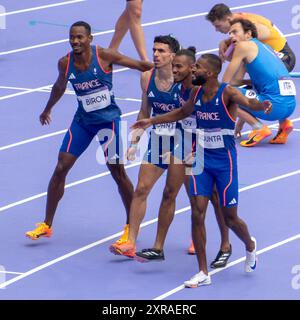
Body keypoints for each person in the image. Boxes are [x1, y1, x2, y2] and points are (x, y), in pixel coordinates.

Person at [132, 53, 272, 287]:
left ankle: (249, 244)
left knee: (230, 217)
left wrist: (263, 105)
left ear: (210, 73)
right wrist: (150, 121)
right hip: (200, 160)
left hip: (224, 161)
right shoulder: (195, 93)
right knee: (197, 212)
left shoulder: (227, 93)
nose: (193, 70)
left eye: (197, 67)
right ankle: (203, 271)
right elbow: (182, 113)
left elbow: (250, 103)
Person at [26, 21, 153, 240]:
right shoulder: (65, 63)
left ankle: (130, 226)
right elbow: (59, 86)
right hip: (83, 121)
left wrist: (166, 66)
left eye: (80, 37)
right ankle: (46, 224)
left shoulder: (104, 55)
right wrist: (47, 109)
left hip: (108, 121)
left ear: (89, 39)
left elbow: (141, 65)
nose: (75, 41)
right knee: (60, 167)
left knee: (117, 172)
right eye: (72, 37)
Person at [134, 47, 232, 268]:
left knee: (214, 199)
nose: (173, 69)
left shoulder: (200, 90)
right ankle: (158, 247)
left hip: (205, 147)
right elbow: (179, 115)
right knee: (169, 192)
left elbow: (221, 105)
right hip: (184, 144)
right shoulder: (179, 89)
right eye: (173, 65)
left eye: (178, 66)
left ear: (191, 69)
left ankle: (226, 245)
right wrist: (151, 121)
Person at [109, 35, 186, 259]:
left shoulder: (184, 80)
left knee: (178, 193)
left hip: (185, 140)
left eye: (162, 51)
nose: (155, 54)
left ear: (173, 55)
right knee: (141, 189)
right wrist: (134, 142)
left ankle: (174, 241)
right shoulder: (146, 77)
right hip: (159, 138)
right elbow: (145, 111)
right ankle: (130, 242)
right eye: (154, 50)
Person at [222, 19, 296, 147]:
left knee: (225, 92)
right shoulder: (265, 47)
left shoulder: (243, 46)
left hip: (274, 107)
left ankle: (258, 127)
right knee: (244, 88)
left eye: (235, 32)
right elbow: (237, 82)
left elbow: (225, 82)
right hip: (290, 105)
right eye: (229, 34)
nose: (231, 36)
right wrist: (240, 124)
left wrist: (223, 54)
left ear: (248, 34)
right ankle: (284, 125)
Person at [206, 3, 296, 71]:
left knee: (242, 52)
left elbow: (266, 32)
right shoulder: (237, 22)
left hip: (284, 58)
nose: (217, 30)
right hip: (272, 55)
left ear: (228, 19)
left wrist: (233, 43)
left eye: (218, 26)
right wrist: (225, 42)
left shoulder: (248, 23)